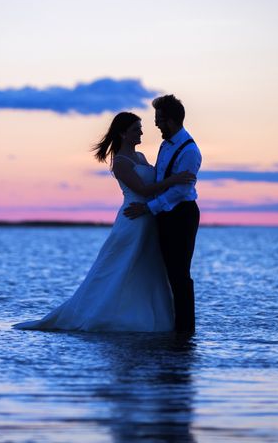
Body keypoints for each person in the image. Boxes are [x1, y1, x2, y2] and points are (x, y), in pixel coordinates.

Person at [13, 111, 195, 332]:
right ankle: (105, 314)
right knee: (119, 267)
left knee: (147, 269)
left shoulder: (141, 158)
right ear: (123, 133)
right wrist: (175, 179)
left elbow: (153, 185)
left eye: (141, 128)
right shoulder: (121, 162)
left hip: (148, 217)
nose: (141, 132)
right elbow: (142, 189)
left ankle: (152, 317)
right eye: (136, 129)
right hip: (133, 219)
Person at [124, 95, 201, 334]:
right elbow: (161, 177)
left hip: (182, 215)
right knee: (166, 271)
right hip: (164, 215)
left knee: (180, 273)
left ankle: (185, 330)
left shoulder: (190, 151)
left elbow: (180, 190)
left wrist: (148, 208)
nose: (156, 124)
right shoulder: (165, 144)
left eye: (159, 119)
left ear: (172, 120)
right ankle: (169, 324)